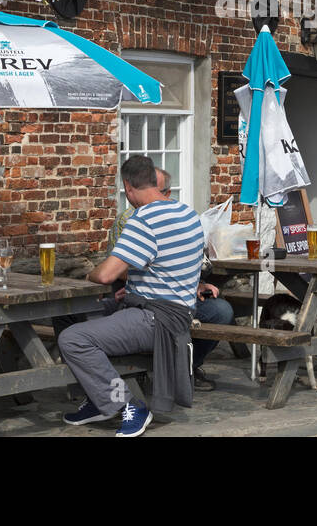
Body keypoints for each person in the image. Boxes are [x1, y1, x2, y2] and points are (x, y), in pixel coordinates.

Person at [59, 155, 204, 437]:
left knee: (73, 339)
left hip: (155, 319)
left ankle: (127, 406)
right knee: (67, 314)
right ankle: (98, 398)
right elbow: (167, 266)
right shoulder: (188, 213)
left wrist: (86, 274)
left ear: (128, 186)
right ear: (153, 180)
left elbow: (105, 275)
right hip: (178, 313)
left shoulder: (144, 219)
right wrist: (138, 289)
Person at [157, 167, 234, 392]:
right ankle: (165, 370)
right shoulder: (132, 221)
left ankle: (189, 367)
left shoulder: (182, 219)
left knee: (222, 311)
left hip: (184, 296)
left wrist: (197, 284)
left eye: (160, 192)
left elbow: (188, 263)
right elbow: (120, 270)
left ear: (168, 193)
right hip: (152, 300)